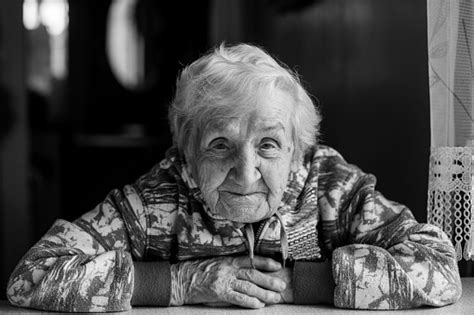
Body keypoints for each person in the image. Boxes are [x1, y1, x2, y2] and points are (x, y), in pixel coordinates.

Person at [6, 43, 461, 312]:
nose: (246, 173)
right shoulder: (156, 200)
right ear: (187, 153)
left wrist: (295, 284)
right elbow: (32, 276)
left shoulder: (333, 188)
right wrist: (184, 283)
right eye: (220, 145)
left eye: (268, 145)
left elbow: (440, 269)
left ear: (297, 151)